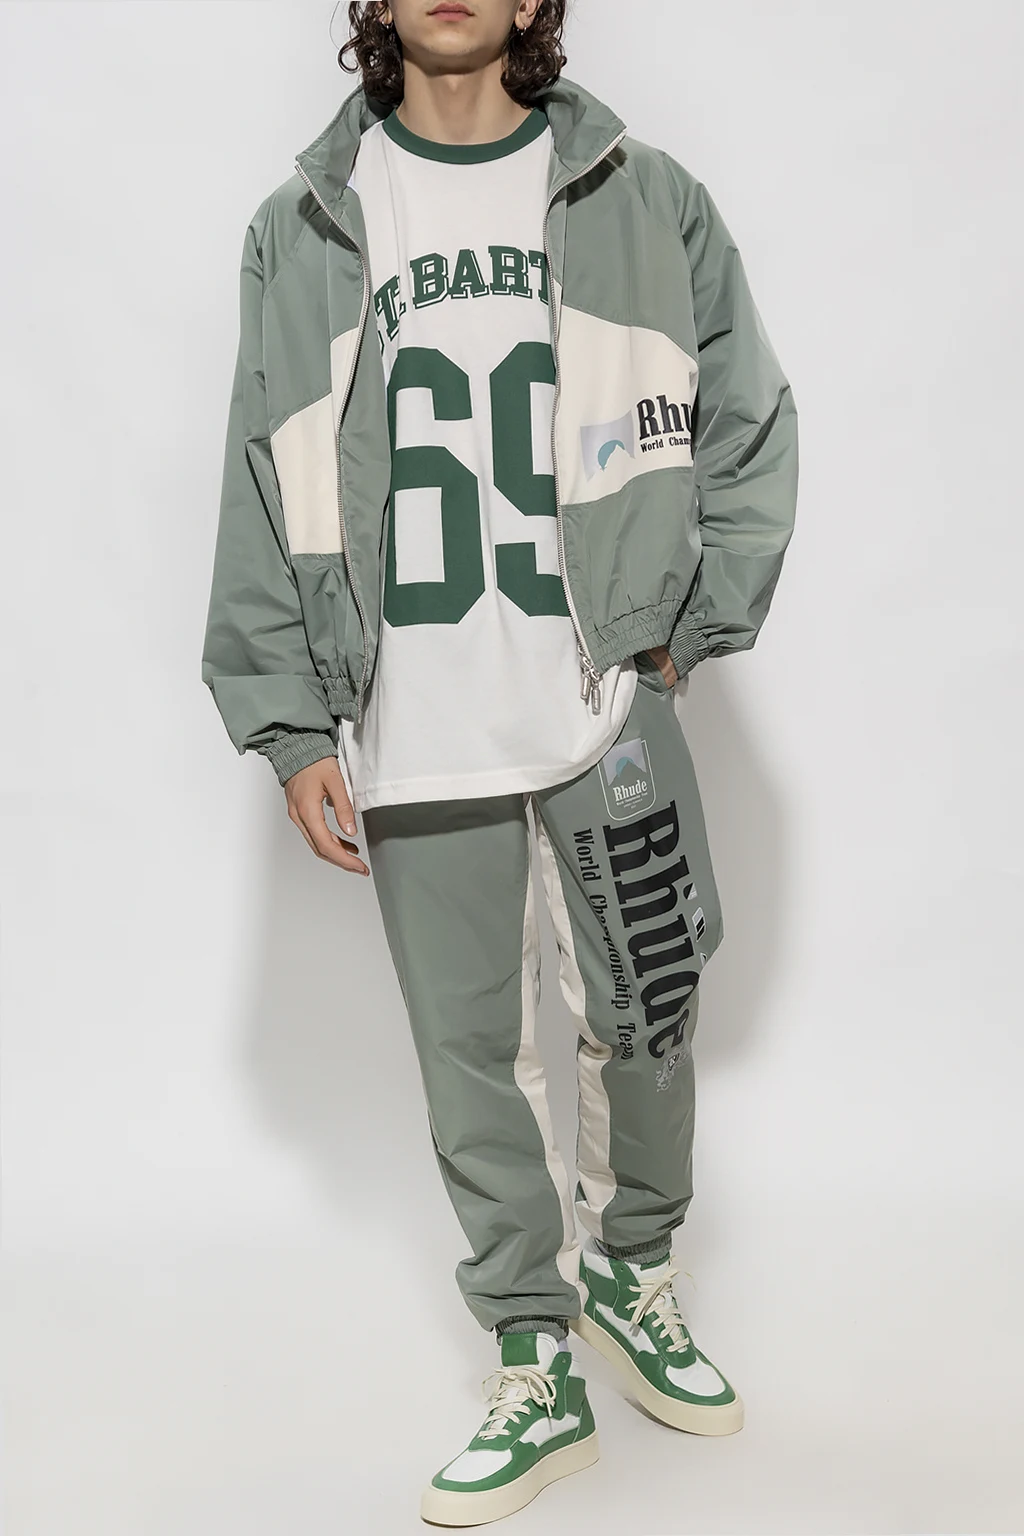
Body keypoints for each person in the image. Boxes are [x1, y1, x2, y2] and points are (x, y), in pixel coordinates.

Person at [202, 0, 798, 1524]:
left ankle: (634, 1277)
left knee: (651, 1006)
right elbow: (260, 476)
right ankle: (535, 1359)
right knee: (473, 1059)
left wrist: (685, 629)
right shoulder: (304, 227)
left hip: (602, 696)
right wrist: (288, 720)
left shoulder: (641, 194)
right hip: (417, 718)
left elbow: (748, 418)